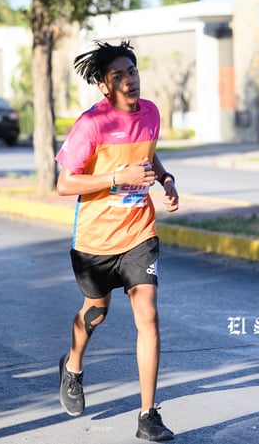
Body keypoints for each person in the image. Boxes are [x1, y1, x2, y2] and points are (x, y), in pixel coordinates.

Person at [54, 40, 179, 441]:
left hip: (140, 231)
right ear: (105, 86)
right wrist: (114, 179)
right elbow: (64, 183)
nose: (129, 81)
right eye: (118, 77)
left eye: (133, 72)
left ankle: (148, 415)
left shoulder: (152, 113)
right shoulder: (92, 124)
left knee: (149, 316)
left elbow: (148, 155)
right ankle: (72, 366)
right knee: (96, 313)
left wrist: (165, 179)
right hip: (96, 237)